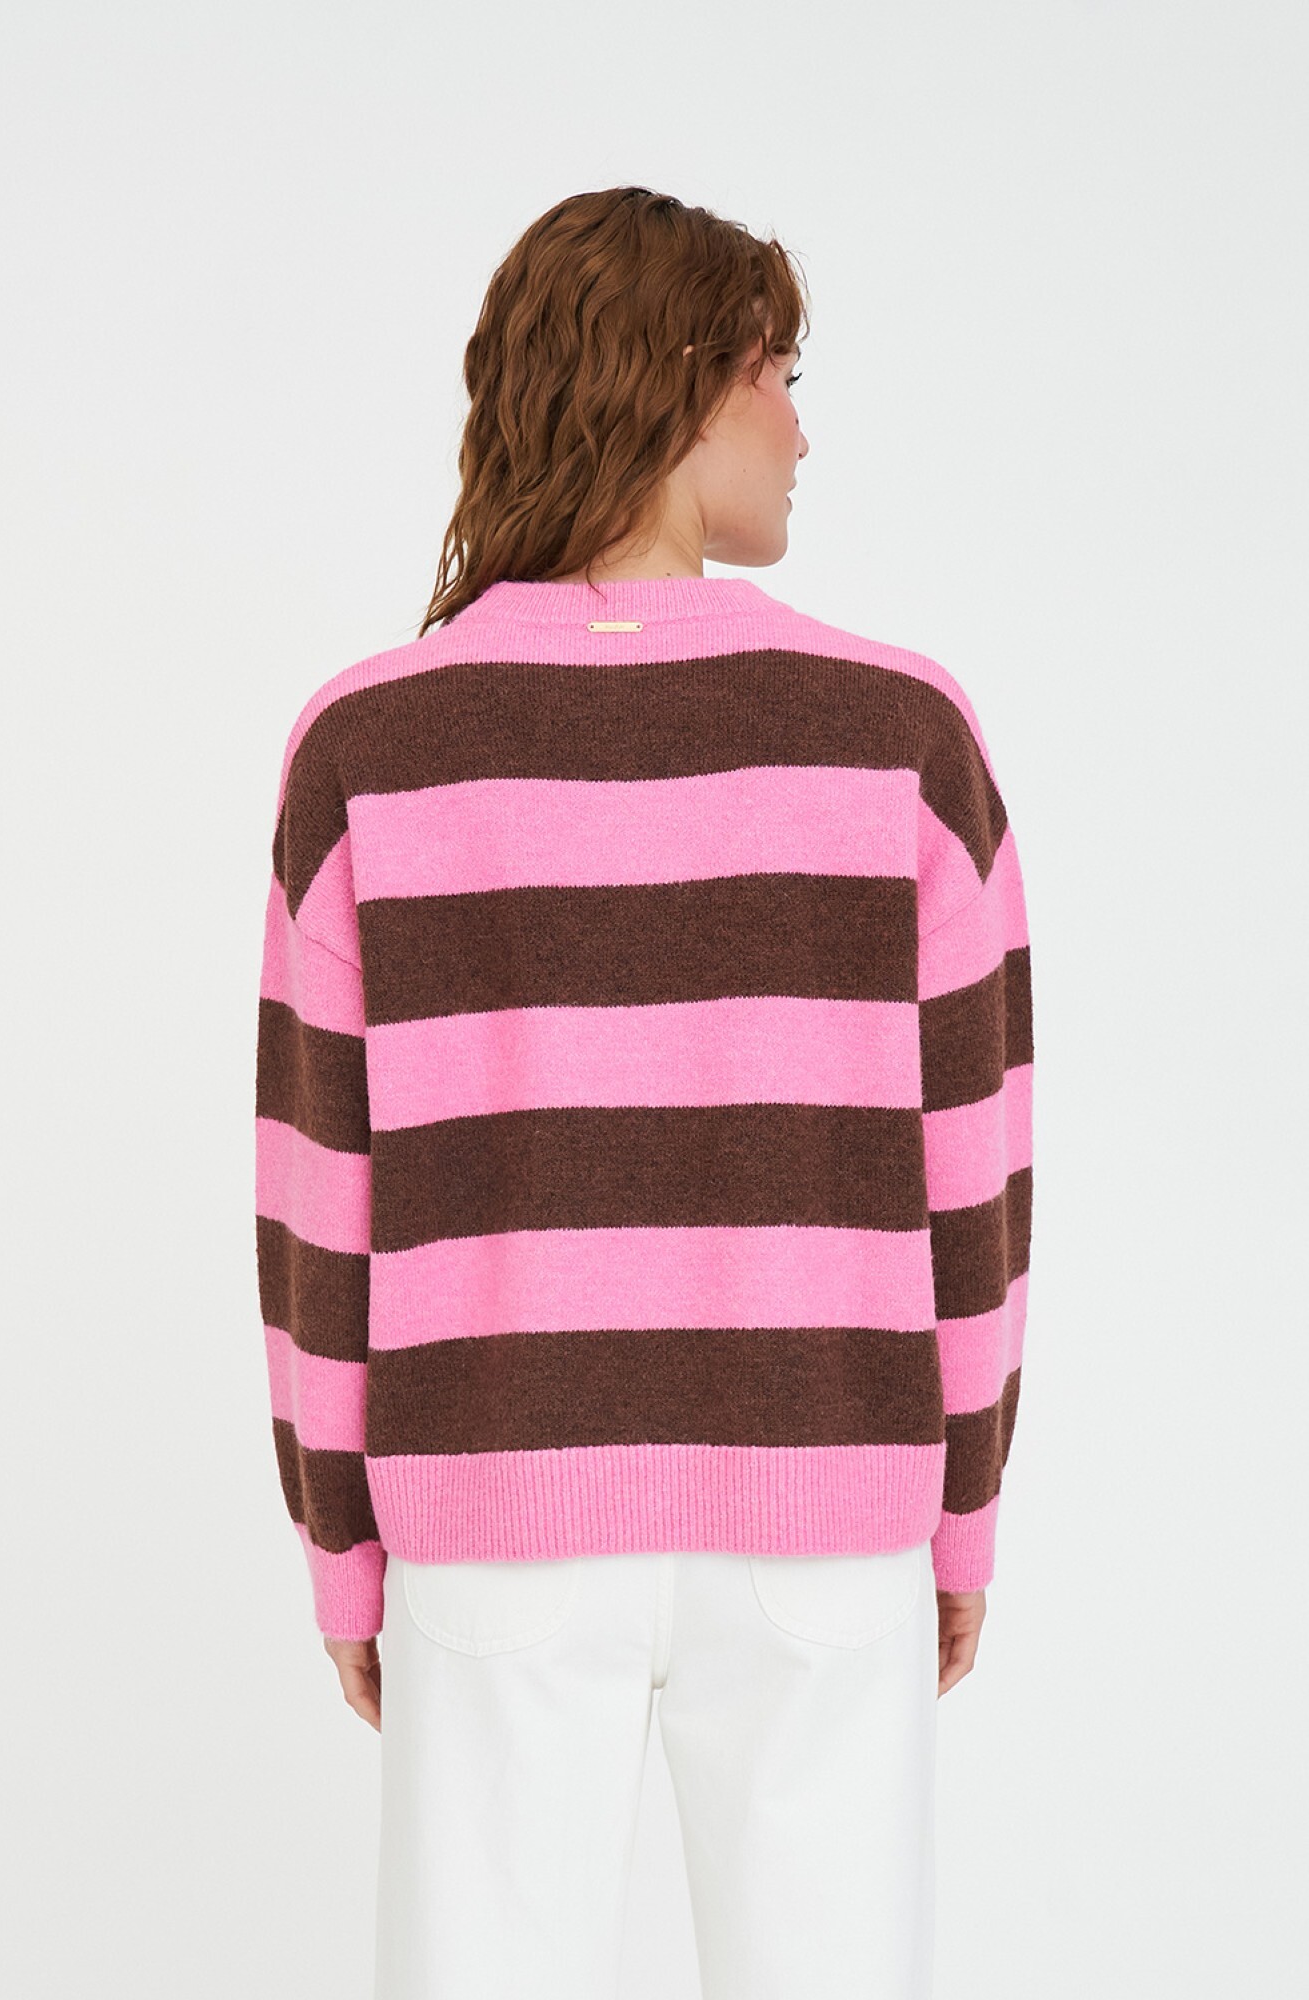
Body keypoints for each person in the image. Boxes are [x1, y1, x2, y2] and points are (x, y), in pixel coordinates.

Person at [253, 185, 1034, 2000]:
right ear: (684, 381)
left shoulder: (371, 748)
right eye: (779, 377)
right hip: (826, 1516)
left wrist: (344, 1551)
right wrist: (962, 1513)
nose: (802, 432)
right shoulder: (900, 740)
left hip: (493, 1522)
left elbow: (317, 1201)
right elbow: (975, 1178)